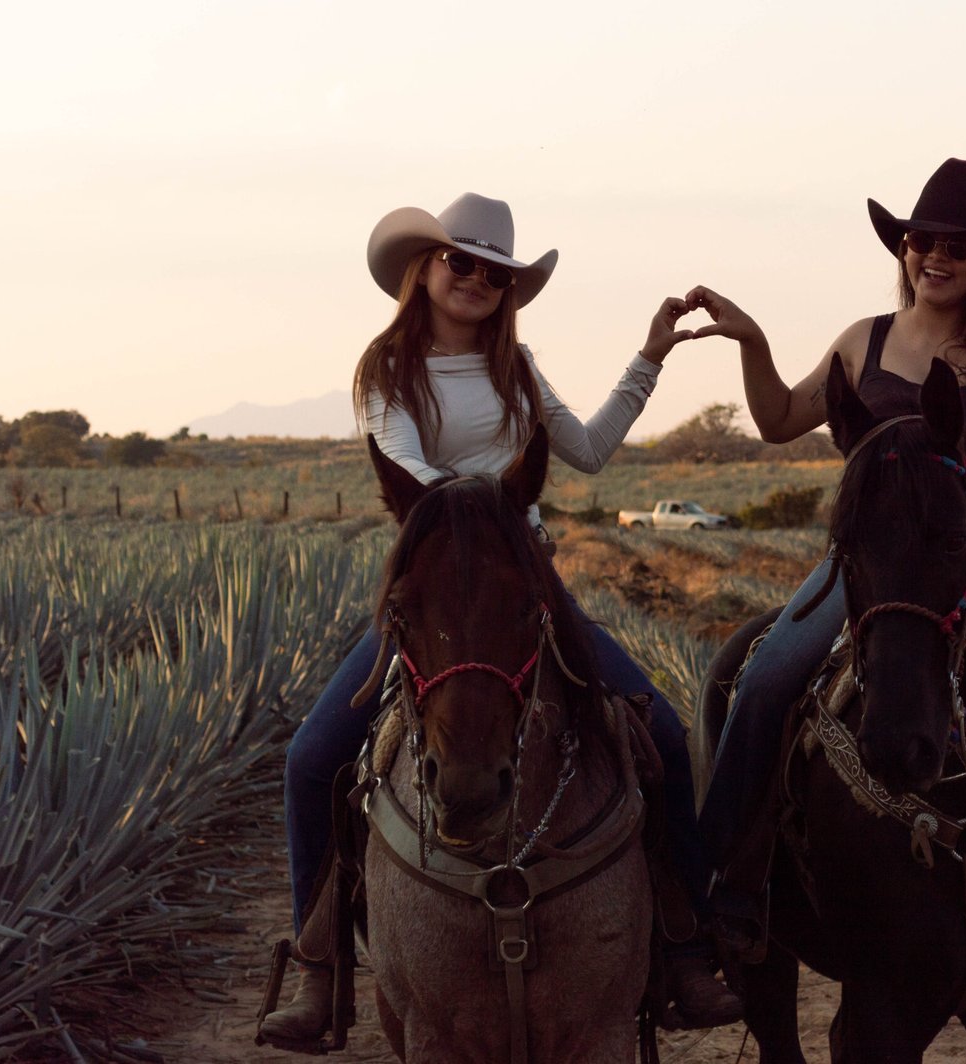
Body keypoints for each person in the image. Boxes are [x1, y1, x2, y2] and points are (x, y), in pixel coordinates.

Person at [260, 193, 742, 1043]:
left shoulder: (517, 369)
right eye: (461, 262)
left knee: (659, 732)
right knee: (311, 760)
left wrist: (650, 358)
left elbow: (587, 451)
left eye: (496, 272)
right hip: (440, 587)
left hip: (527, 587)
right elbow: (403, 466)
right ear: (426, 268)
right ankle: (318, 970)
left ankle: (685, 948)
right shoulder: (387, 369)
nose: (477, 280)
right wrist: (489, 509)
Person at [687, 159, 966, 975]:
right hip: (866, 573)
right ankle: (724, 887)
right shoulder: (866, 340)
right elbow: (781, 419)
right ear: (904, 250)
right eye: (921, 241)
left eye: (957, 246)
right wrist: (753, 341)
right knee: (762, 683)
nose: (935, 257)